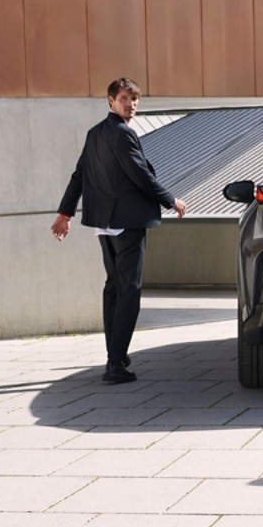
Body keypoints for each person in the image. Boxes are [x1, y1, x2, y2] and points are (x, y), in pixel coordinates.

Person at [51, 78, 187, 384]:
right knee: (129, 290)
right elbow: (139, 174)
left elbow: (80, 175)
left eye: (135, 99)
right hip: (126, 222)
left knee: (113, 286)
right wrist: (170, 200)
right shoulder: (123, 134)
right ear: (110, 101)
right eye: (124, 98)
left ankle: (117, 354)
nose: (131, 104)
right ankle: (115, 364)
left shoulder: (95, 133)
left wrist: (65, 213)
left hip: (105, 223)